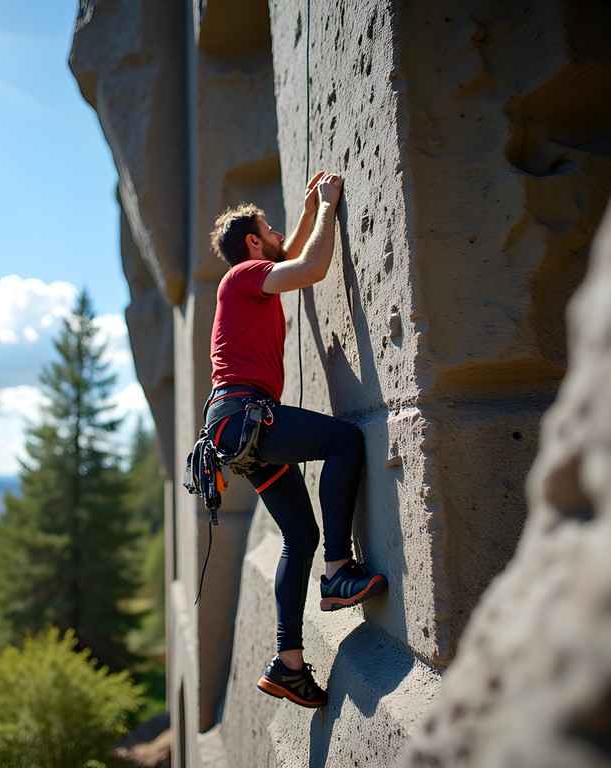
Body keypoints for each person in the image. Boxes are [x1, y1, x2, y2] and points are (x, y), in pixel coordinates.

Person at [205, 171, 386, 709]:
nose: (280, 228)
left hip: (236, 429)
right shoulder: (245, 275)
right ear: (254, 243)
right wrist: (329, 206)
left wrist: (309, 212)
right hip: (246, 418)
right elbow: (311, 267)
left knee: (296, 536)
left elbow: (293, 255)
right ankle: (338, 572)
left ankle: (288, 666)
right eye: (270, 226)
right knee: (344, 441)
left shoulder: (247, 282)